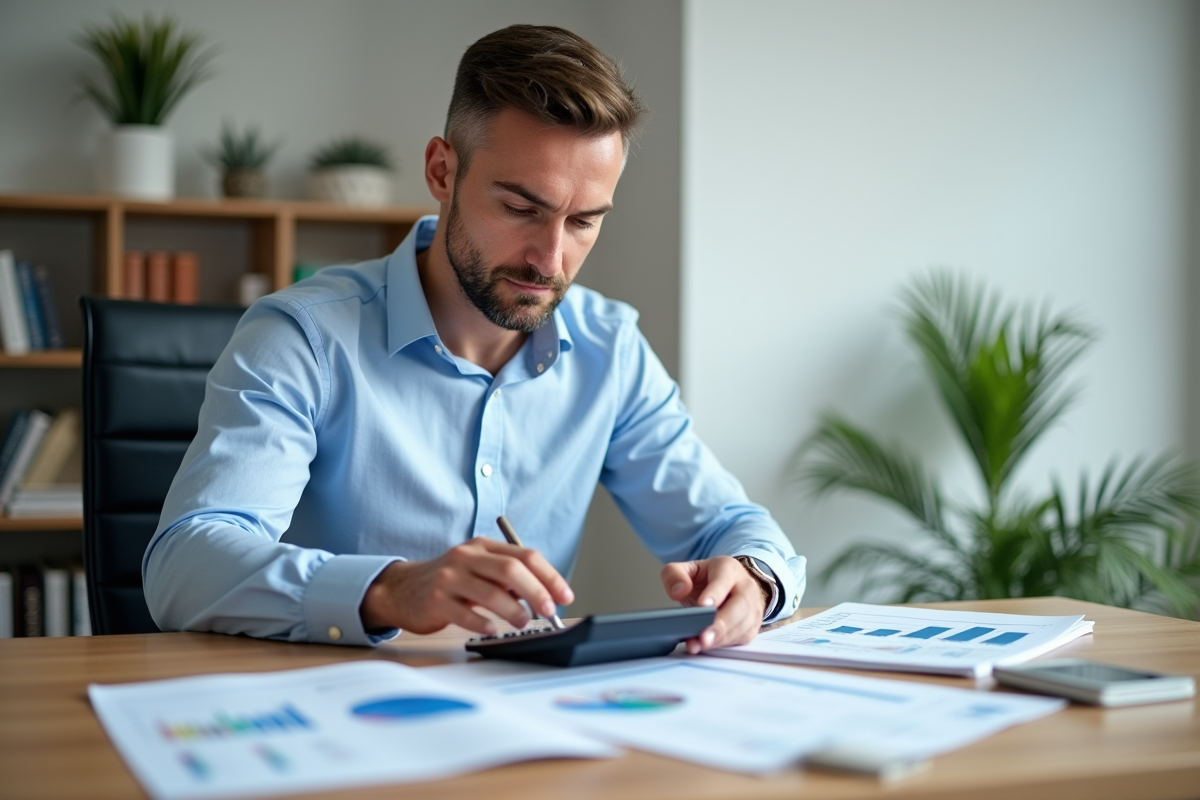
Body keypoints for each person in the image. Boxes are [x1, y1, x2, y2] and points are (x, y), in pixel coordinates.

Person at [144, 24, 805, 652]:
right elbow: (184, 564)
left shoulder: (611, 350)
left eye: (583, 221)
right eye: (520, 208)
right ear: (441, 171)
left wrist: (753, 578)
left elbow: (729, 524)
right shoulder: (302, 338)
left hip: (525, 711)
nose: (549, 259)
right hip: (337, 706)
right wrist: (390, 590)